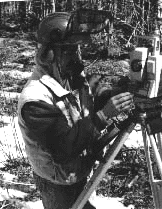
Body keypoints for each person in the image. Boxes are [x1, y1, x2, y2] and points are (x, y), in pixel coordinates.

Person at [18, 12, 134, 209]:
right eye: (69, 50)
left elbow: (92, 98)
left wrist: (126, 89)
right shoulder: (35, 100)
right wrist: (103, 116)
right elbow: (63, 149)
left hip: (78, 173)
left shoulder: (70, 77)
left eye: (77, 49)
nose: (76, 56)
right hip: (59, 185)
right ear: (49, 54)